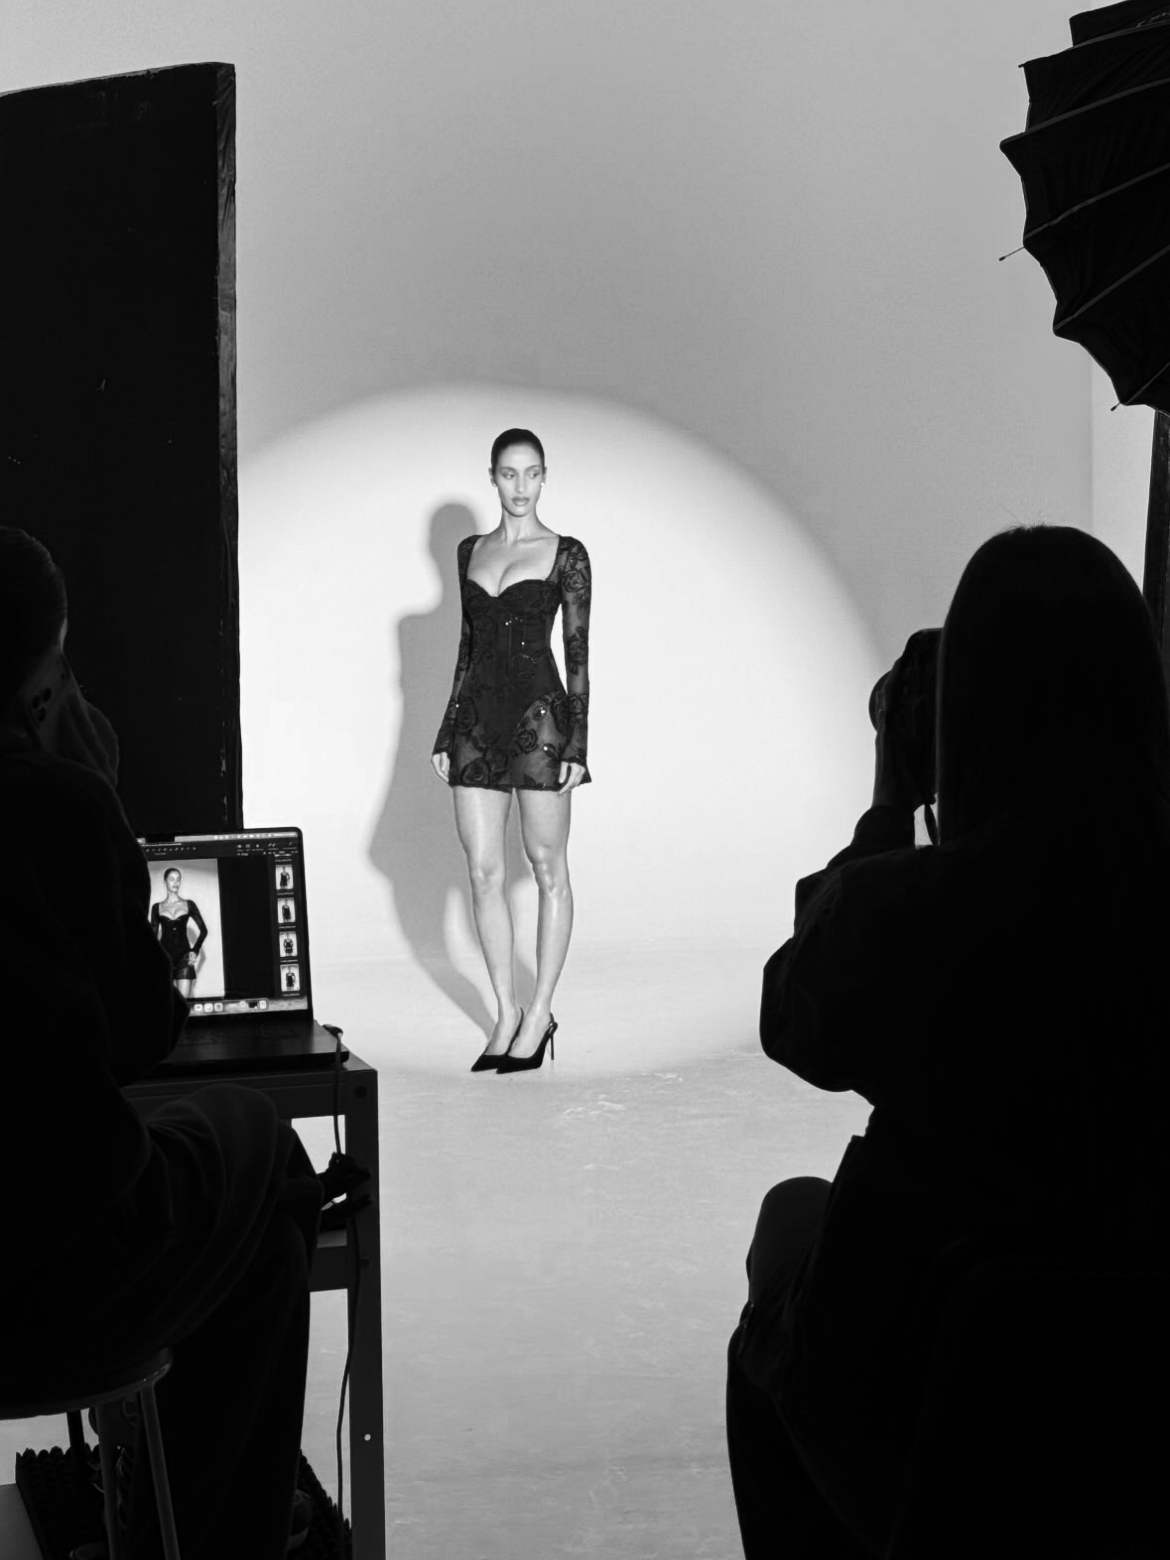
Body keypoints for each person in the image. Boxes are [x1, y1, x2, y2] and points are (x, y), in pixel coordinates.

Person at [726, 524, 1170, 1557]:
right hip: (1138, 1401)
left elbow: (795, 1017)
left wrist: (890, 804)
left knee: (789, 1240)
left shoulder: (923, 915)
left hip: (927, 1412)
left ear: (962, 720)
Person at [0, 527, 365, 1558]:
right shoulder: (58, 804)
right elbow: (142, 1031)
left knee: (260, 1249)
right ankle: (233, 1528)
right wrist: (101, 804)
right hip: (69, 1271)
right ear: (39, 683)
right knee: (260, 1144)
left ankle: (182, 1507)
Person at [431, 429, 591, 1073]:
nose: (520, 488)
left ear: (545, 477)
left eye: (531, 475)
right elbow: (467, 649)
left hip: (541, 722)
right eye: (508, 475)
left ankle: (542, 1009)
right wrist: (447, 730)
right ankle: (505, 1011)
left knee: (548, 868)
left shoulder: (568, 553)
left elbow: (577, 656)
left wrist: (579, 742)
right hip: (475, 721)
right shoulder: (469, 550)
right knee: (482, 872)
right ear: (491, 478)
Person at [151, 867, 209, 998]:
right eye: (171, 879)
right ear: (164, 881)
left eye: (178, 879)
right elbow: (153, 938)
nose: (175, 883)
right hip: (164, 958)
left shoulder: (189, 904)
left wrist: (195, 950)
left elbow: (204, 930)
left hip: (184, 958)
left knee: (183, 1004)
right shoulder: (156, 907)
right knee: (167, 1006)